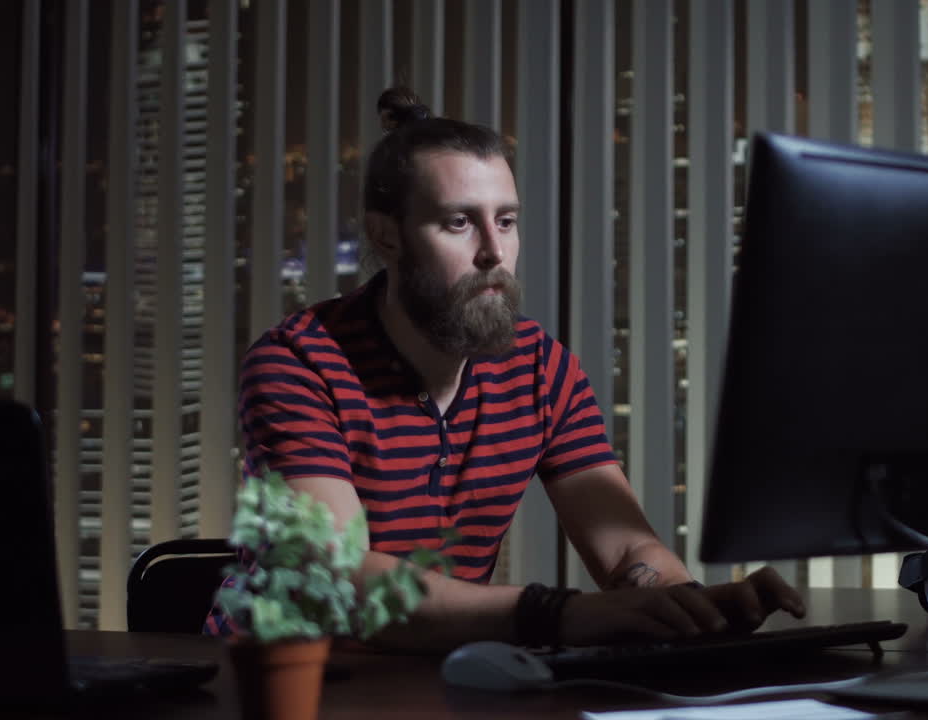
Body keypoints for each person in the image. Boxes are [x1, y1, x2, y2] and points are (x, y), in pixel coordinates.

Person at [207, 87, 805, 652]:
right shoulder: (299, 364)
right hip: (277, 681)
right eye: (459, 222)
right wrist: (558, 614)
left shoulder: (540, 369)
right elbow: (341, 580)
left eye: (507, 221)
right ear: (386, 236)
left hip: (440, 679)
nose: (494, 251)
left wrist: (692, 607)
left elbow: (626, 550)